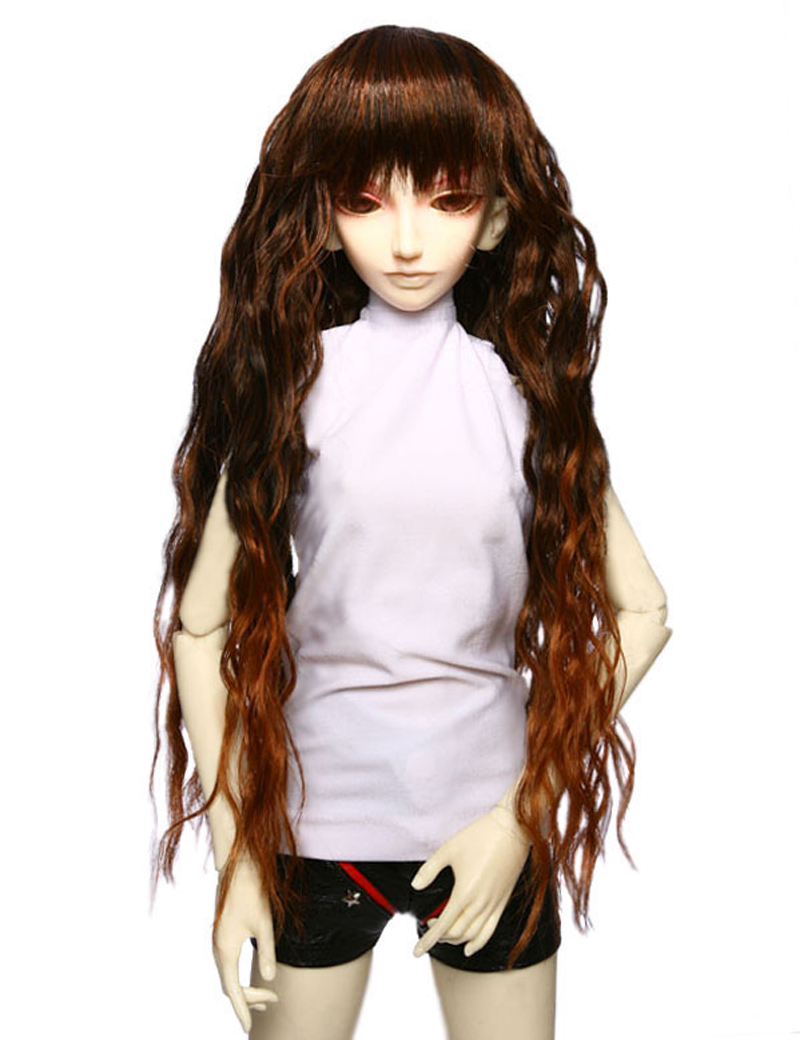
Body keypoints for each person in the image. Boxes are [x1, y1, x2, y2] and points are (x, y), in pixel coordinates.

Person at [149, 25, 672, 1040]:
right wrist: (238, 862)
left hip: (487, 830)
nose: (403, 241)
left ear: (495, 217)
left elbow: (642, 609)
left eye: (446, 199)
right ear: (320, 211)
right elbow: (200, 630)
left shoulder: (526, 401)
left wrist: (519, 816)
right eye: (365, 200)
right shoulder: (294, 393)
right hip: (315, 828)